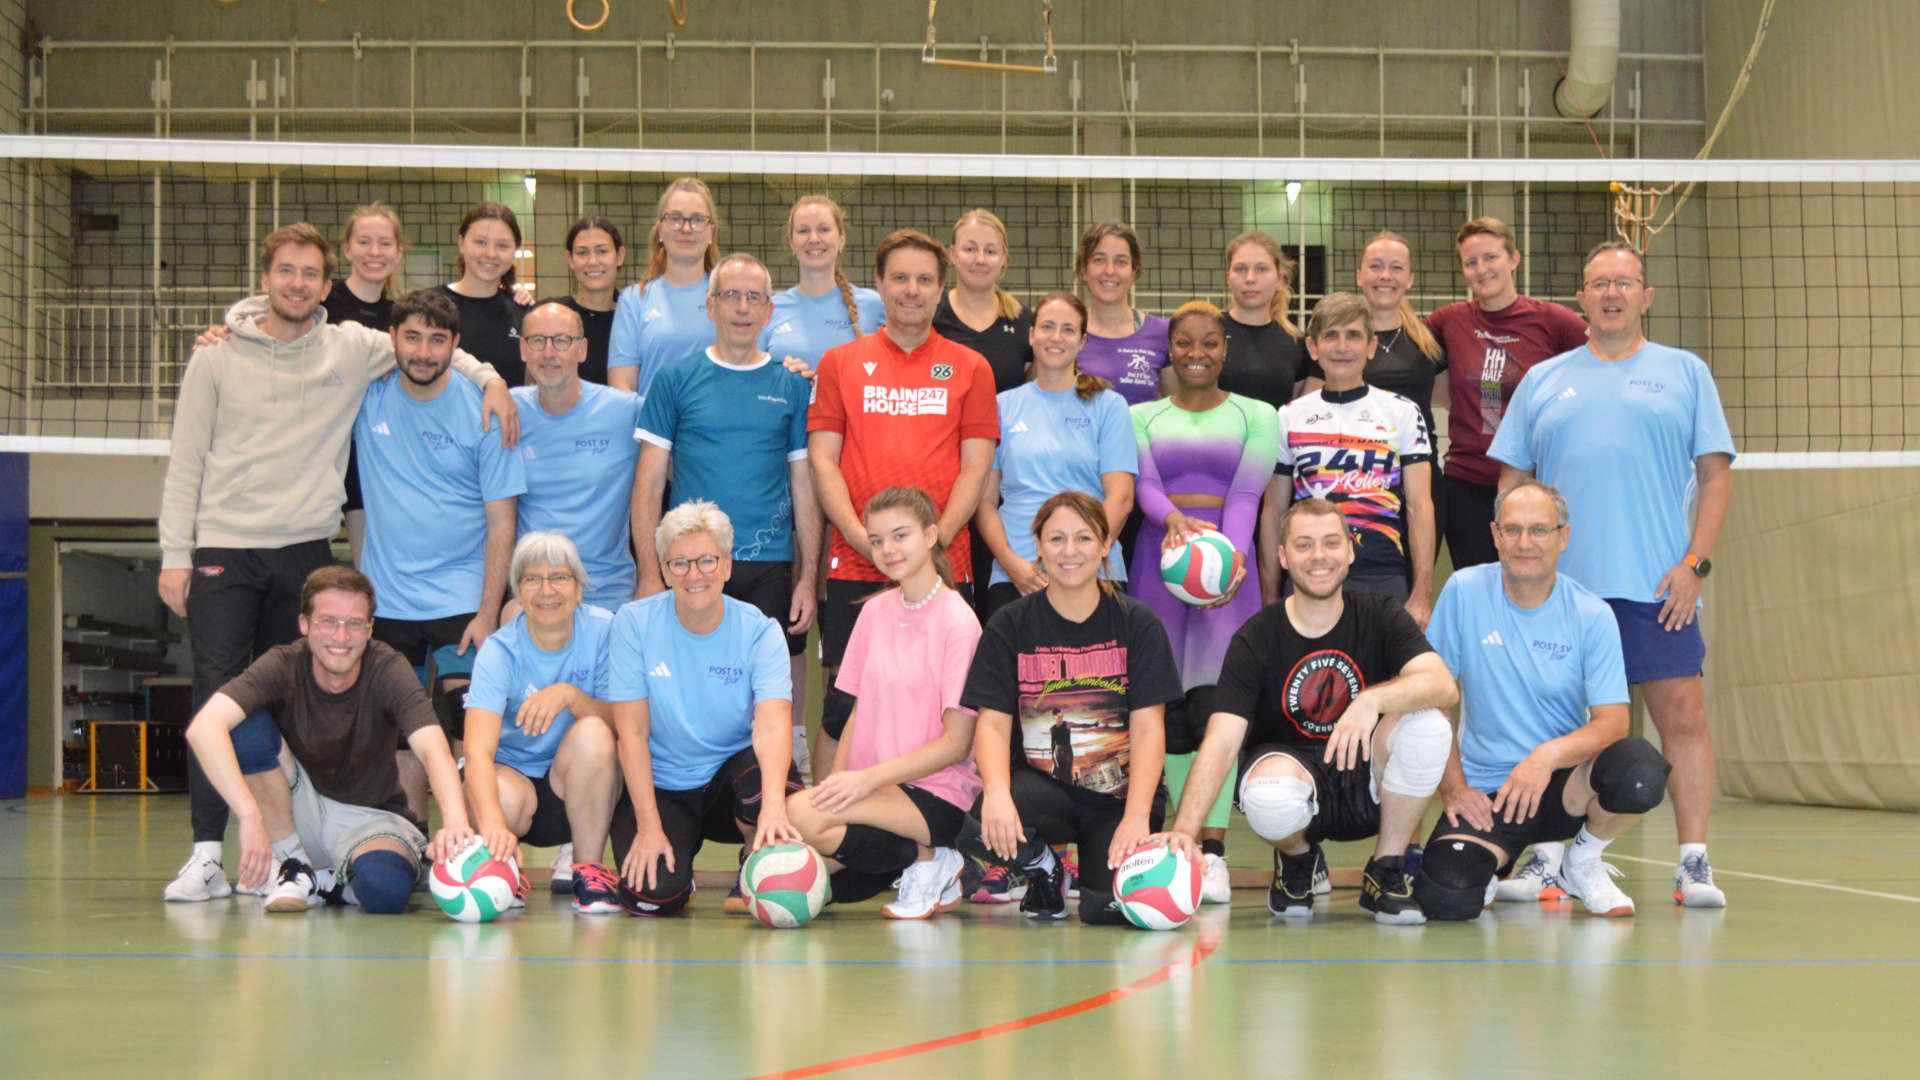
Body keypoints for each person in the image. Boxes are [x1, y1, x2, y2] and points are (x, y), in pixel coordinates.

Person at [158, 223, 514, 903]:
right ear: (265, 278)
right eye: (284, 270)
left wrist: (493, 379)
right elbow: (185, 462)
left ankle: (301, 854)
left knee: (288, 700)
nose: (297, 283)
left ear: (328, 286)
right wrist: (176, 554)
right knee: (216, 692)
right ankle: (209, 852)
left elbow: (432, 345)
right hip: (224, 546)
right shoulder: (217, 355)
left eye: (309, 274)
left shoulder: (351, 346)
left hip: (303, 547)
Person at [1490, 241, 1736, 909]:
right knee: (1559, 727)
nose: (1612, 293)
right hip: (1560, 592)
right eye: (1599, 283)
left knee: (1681, 717)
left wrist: (1694, 565)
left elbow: (1716, 475)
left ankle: (1693, 864)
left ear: (1645, 296)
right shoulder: (1545, 379)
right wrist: (1519, 564)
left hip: (1658, 587)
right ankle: (1547, 857)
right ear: (1582, 297)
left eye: (1625, 282)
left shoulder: (1685, 372)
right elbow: (1512, 479)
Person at [1147, 498, 1457, 924]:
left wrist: (1371, 700)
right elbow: (1220, 741)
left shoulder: (1379, 614)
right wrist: (1185, 832)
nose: (1319, 557)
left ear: (1350, 550)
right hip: (1290, 776)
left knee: (1430, 726)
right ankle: (1299, 860)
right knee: (1269, 798)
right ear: (1283, 556)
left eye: (1331, 543)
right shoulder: (1256, 636)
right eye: (1304, 545)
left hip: (1366, 777)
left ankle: (1385, 870)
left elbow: (1442, 684)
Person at [1412, 480, 1671, 921]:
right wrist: (1454, 787)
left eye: (1539, 530)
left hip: (1563, 788)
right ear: (1495, 535)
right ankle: (1499, 859)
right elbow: (1432, 698)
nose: (1524, 543)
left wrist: (1544, 758)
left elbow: (1612, 723)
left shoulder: (1591, 614)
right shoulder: (1464, 591)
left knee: (1640, 770)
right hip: (1489, 792)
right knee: (1446, 896)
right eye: (1512, 530)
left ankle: (1581, 862)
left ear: (1563, 537)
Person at [807, 228, 998, 779]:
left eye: (923, 280)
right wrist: (865, 538)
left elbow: (976, 468)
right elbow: (824, 461)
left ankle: (929, 840)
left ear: (941, 289)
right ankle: (831, 831)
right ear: (879, 285)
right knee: (844, 708)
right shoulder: (840, 362)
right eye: (899, 278)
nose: (911, 290)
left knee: (940, 708)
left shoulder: (971, 367)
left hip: (943, 564)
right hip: (855, 560)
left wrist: (927, 546)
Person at [182, 566, 479, 914]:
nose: (341, 636)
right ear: (305, 624)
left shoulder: (387, 667)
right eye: (328, 622)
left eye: (354, 624)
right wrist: (249, 816)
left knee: (385, 891)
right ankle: (294, 864)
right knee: (243, 726)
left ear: (369, 629)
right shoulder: (283, 663)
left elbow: (433, 749)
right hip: (295, 808)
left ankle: (323, 884)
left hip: (371, 818)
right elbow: (203, 728)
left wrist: (456, 822)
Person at [634, 253, 821, 776]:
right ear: (710, 305)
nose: (742, 308)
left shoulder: (792, 385)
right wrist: (650, 572)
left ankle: (766, 825)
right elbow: (648, 483)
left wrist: (807, 577)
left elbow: (804, 486)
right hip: (692, 568)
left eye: (753, 297)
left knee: (768, 694)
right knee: (692, 687)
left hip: (768, 564)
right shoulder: (675, 380)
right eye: (731, 296)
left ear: (769, 310)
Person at [960, 491, 1182, 923]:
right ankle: (1044, 870)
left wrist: (1137, 816)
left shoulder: (1137, 623)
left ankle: (1096, 874)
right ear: (1038, 546)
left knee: (1107, 912)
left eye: (1083, 538)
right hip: (1045, 792)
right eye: (1057, 539)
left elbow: (1150, 728)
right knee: (972, 820)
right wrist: (999, 795)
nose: (1069, 551)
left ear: (1104, 546)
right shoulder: (1011, 622)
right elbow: (991, 724)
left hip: (1120, 799)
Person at [354, 289, 525, 821]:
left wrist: (488, 610)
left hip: (461, 600)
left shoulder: (484, 411)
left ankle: (472, 843)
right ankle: (412, 843)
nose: (423, 352)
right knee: (403, 734)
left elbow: (503, 522)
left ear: (455, 344)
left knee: (466, 724)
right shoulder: (367, 397)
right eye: (412, 338)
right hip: (389, 604)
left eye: (436, 340)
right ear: (393, 340)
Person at [1128, 300, 1278, 904]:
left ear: (1225, 349)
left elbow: (1247, 490)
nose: (1196, 353)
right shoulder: (1140, 415)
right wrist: (1175, 524)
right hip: (1156, 564)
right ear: (1169, 349)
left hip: (1226, 574)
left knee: (1220, 707)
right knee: (1163, 708)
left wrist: (1228, 561)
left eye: (1209, 343)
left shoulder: (1258, 414)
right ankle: (1172, 838)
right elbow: (1142, 485)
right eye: (1185, 343)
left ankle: (1211, 848)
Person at [784, 487, 983, 919]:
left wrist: (863, 781)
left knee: (801, 814)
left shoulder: (959, 621)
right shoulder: (874, 613)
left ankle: (933, 858)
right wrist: (837, 784)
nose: (887, 549)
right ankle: (920, 860)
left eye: (900, 535)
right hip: (876, 787)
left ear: (931, 535)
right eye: (877, 540)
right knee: (809, 840)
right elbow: (858, 710)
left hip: (935, 793)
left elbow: (956, 744)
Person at [609, 501, 803, 915]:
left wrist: (773, 808)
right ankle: (679, 863)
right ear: (663, 570)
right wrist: (648, 825)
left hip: (730, 785)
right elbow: (632, 734)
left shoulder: (760, 631)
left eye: (706, 561)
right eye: (679, 563)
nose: (693, 574)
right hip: (664, 785)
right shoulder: (633, 624)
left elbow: (772, 726)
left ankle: (754, 857)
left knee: (764, 785)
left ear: (728, 566)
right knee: (653, 897)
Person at [462, 532, 625, 915]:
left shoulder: (605, 631)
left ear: (579, 589)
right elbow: (477, 751)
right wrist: (492, 825)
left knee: (595, 733)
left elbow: (627, 721)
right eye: (533, 579)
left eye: (559, 578)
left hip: (580, 784)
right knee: (497, 794)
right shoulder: (499, 652)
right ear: (518, 592)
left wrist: (569, 695)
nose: (546, 590)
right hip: (515, 783)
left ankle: (589, 870)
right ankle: (502, 866)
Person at [1427, 217, 1587, 570]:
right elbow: (1400, 347)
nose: (1481, 269)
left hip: (1534, 485)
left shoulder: (1553, 321)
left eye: (1490, 258)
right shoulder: (1451, 321)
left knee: (1534, 589)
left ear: (1514, 258)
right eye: (1471, 263)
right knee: (1479, 591)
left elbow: (1606, 357)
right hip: (1467, 485)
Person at [1272, 292, 1437, 625]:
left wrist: (1421, 594)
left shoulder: (1403, 412)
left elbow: (1420, 506)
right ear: (1313, 348)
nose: (1342, 346)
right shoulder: (1288, 417)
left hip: (1383, 573)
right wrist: (1269, 594)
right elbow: (1274, 510)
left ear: (1371, 346)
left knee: (1387, 678)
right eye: (1331, 336)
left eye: (1353, 335)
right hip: (1309, 573)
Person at [975, 291, 1135, 618]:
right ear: (1032, 335)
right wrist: (1011, 563)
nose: (1056, 338)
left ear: (1082, 341)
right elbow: (985, 502)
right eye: (1047, 327)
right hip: (1019, 573)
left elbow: (1120, 498)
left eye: (1068, 329)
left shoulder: (1109, 406)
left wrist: (1083, 561)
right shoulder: (1002, 406)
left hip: (1095, 571)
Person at [512, 301, 645, 613]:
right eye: (537, 341)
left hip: (607, 592)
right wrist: (486, 380)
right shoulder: (508, 410)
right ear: (523, 349)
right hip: (535, 594)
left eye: (561, 341)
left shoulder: (624, 412)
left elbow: (691, 422)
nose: (549, 353)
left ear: (582, 350)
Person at [324, 204, 407, 570]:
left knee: (367, 566)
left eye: (384, 243)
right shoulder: (321, 304)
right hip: (321, 448)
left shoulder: (402, 316)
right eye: (365, 242)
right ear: (347, 249)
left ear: (398, 251)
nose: (375, 252)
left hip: (370, 456)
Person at [608, 176, 721, 396]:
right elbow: (622, 386)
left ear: (711, 232)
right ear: (660, 230)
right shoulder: (634, 300)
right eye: (675, 218)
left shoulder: (729, 297)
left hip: (714, 428)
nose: (686, 229)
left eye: (697, 219)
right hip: (654, 427)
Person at [761, 194, 886, 374]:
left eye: (824, 229)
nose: (813, 239)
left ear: (841, 239)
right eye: (803, 231)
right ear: (791, 243)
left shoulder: (874, 305)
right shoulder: (770, 309)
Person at [934, 208, 1033, 394]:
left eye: (990, 251)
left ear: (1003, 257)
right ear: (952, 254)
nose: (980, 259)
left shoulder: (1023, 321)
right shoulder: (931, 316)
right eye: (970, 249)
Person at [1073, 222, 1169, 407]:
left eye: (1121, 262)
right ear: (1084, 270)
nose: (1109, 270)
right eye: (1099, 259)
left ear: (1133, 272)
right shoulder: (1066, 331)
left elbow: (1175, 409)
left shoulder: (1162, 333)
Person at [437, 202, 530, 387]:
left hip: (506, 416)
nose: (490, 253)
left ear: (514, 252)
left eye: (502, 245)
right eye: (480, 242)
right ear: (461, 243)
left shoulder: (524, 312)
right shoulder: (432, 305)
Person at [1218, 231, 1313, 411]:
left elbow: (1296, 412)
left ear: (1278, 277)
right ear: (1228, 278)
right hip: (1217, 439)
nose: (1250, 279)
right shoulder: (1209, 333)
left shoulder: (1296, 343)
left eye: (1261, 269)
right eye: (1240, 269)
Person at [549, 215, 626, 385]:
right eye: (582, 252)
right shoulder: (553, 315)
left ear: (620, 255)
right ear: (570, 259)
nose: (592, 261)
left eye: (602, 251)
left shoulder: (634, 317)